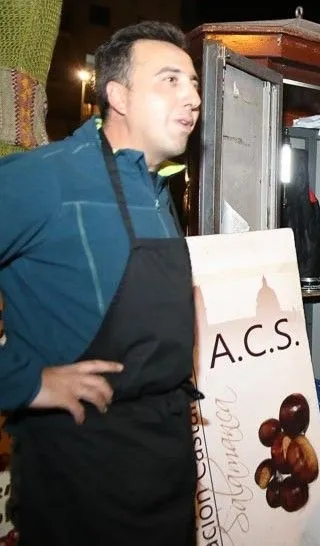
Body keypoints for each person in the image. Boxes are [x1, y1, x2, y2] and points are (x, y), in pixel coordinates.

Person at [0, 21, 201, 545]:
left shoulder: (159, 192)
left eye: (194, 82)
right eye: (171, 80)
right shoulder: (47, 177)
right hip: (81, 474)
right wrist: (25, 382)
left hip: (165, 463)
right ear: (118, 96)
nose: (193, 97)